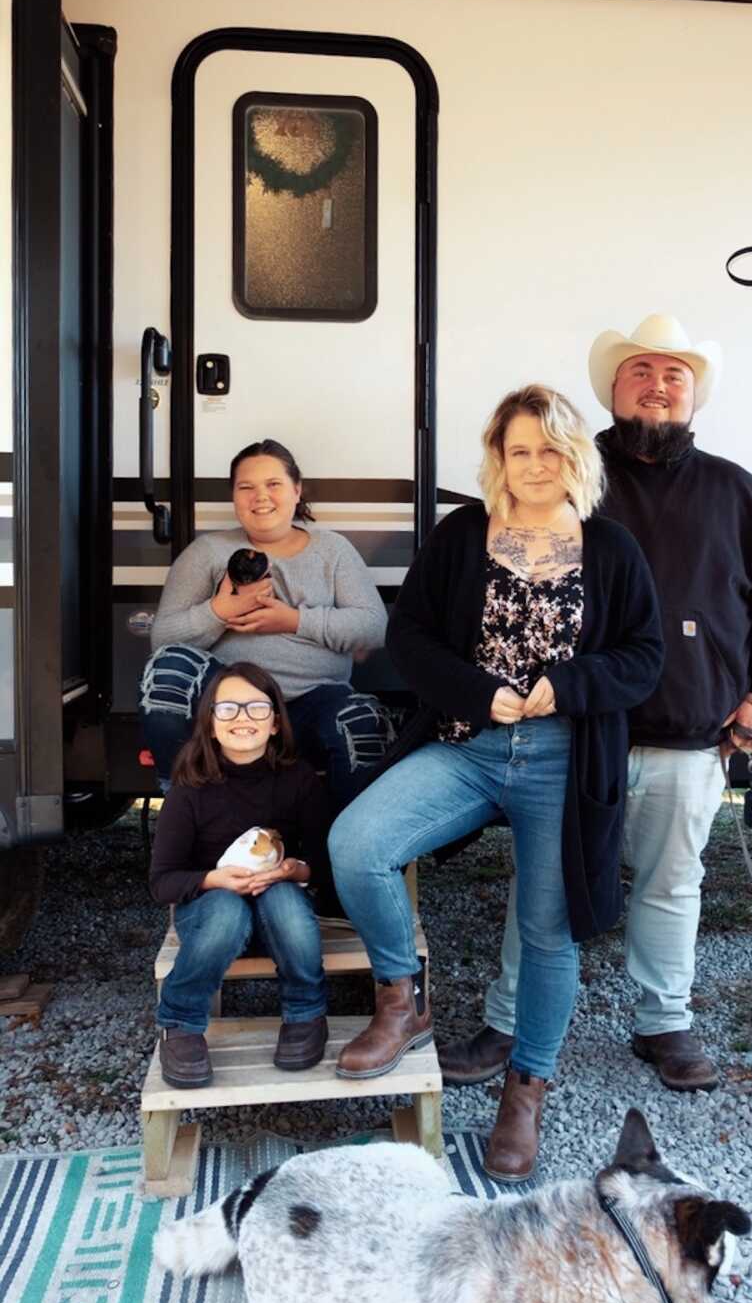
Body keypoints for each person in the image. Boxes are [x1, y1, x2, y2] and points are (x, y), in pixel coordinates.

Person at [440, 313, 752, 1095]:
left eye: (675, 375)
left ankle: (664, 1022)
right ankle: (507, 1021)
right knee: (540, 884)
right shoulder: (571, 477)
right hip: (575, 733)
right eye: (642, 372)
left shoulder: (738, 491)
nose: (659, 386)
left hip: (689, 731)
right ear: (613, 390)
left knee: (673, 882)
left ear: (693, 397)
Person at [327, 385, 663, 1181]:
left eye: (551, 449)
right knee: (358, 843)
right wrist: (477, 693)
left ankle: (526, 1090)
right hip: (469, 748)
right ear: (499, 459)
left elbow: (645, 658)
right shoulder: (461, 536)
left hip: (562, 762)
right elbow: (407, 636)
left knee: (548, 930)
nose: (536, 464)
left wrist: (571, 685)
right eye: (521, 450)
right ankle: (401, 1000)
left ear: (573, 457)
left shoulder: (610, 548)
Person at [140, 438, 392, 807]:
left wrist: (292, 621)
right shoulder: (206, 552)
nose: (261, 496)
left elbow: (374, 627)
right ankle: (186, 813)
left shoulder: (332, 550)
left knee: (361, 723)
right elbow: (162, 642)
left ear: (296, 489)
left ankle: (343, 850)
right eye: (246, 487)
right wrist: (221, 611)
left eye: (273, 484)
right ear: (234, 497)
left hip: (311, 704)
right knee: (167, 673)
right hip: (226, 706)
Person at [150, 662, 334, 1089]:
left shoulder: (299, 780)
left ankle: (306, 1012)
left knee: (285, 902)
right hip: (212, 912)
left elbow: (325, 863)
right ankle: (180, 1020)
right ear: (210, 724)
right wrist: (216, 880)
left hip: (278, 909)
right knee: (226, 912)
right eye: (228, 708)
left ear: (274, 723)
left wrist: (293, 870)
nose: (242, 718)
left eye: (256, 707)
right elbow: (162, 881)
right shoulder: (189, 788)